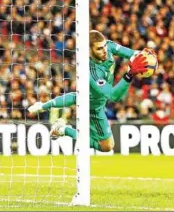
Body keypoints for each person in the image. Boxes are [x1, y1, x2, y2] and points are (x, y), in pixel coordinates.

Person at [27, 30, 155, 152]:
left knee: (105, 144)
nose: (104, 50)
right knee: (107, 146)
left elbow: (132, 53)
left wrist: (144, 55)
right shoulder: (92, 72)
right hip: (93, 108)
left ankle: (53, 118)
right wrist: (130, 74)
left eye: (104, 46)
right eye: (99, 48)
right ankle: (63, 129)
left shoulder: (108, 46)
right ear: (89, 50)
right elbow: (114, 96)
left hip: (94, 100)